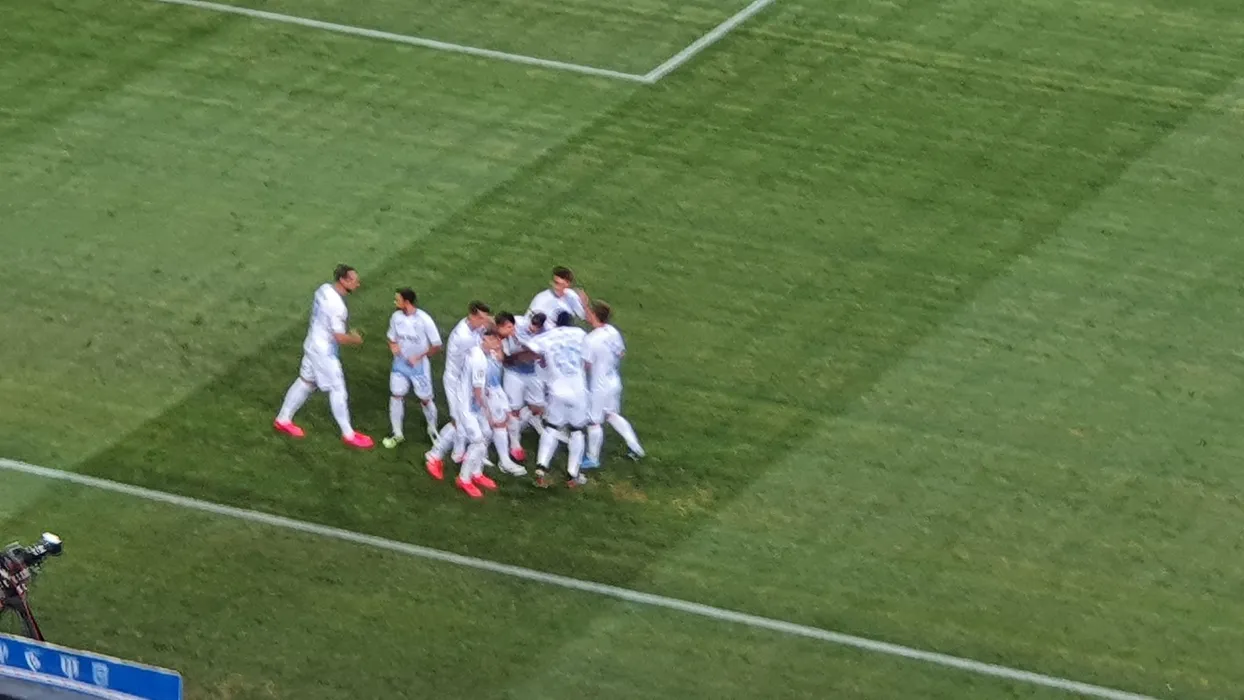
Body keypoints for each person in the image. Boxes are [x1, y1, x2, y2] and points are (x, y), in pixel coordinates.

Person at [274, 265, 373, 449]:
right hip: (324, 352)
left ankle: (283, 419)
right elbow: (339, 337)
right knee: (338, 388)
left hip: (312, 342)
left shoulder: (323, 289)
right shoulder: (338, 307)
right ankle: (349, 434)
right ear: (343, 280)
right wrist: (355, 339)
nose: (358, 284)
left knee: (307, 382)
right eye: (354, 281)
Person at [424, 302, 491, 479]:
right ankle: (434, 456)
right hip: (455, 382)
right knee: (458, 421)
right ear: (472, 316)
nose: (484, 323)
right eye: (481, 318)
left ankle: (462, 454)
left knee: (467, 419)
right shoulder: (464, 337)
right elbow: (480, 350)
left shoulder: (472, 326)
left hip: (464, 380)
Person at [526, 311, 590, 487]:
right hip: (578, 391)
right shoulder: (580, 333)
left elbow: (531, 349)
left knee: (551, 428)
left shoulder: (547, 337)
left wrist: (543, 359)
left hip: (557, 391)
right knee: (577, 431)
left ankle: (541, 469)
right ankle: (572, 475)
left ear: (555, 323)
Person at [582, 301, 645, 468]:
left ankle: (592, 458)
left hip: (599, 385)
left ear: (594, 316)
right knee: (612, 415)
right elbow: (621, 353)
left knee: (594, 421)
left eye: (589, 312)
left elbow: (586, 365)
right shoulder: (612, 331)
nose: (586, 314)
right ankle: (636, 447)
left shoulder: (590, 339)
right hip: (613, 380)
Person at [382, 288, 442, 449]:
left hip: (419, 367)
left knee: (425, 399)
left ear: (407, 302)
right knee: (396, 395)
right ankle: (397, 434)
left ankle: (432, 430)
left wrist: (419, 357)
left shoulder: (424, 319)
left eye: (398, 299)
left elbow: (437, 345)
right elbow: (391, 337)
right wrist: (393, 346)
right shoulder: (396, 317)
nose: (395, 302)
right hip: (400, 365)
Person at [453, 330, 505, 498]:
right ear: (486, 339)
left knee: (487, 434)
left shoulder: (480, 352)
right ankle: (464, 479)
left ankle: (476, 472)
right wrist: (489, 414)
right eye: (495, 341)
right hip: (467, 406)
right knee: (477, 441)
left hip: (473, 403)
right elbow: (478, 392)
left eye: (499, 341)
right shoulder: (479, 360)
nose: (498, 344)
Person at [501, 311, 548, 461]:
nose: (533, 329)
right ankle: (515, 445)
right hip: (513, 373)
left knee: (538, 407)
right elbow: (501, 328)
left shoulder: (547, 334)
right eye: (532, 325)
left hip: (532, 373)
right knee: (514, 409)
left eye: (537, 327)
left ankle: (521, 423)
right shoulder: (517, 323)